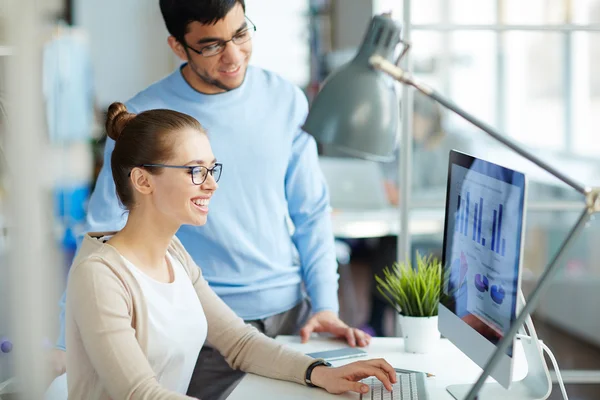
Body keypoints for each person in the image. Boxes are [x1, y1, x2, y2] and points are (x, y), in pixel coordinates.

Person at [52, 1, 371, 399]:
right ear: (178, 45)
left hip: (284, 308)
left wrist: (319, 361)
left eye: (241, 33)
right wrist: (68, 339)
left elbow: (311, 213)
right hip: (195, 327)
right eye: (211, 45)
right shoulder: (143, 121)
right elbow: (101, 229)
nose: (233, 55)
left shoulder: (176, 254)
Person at [66, 102, 397, 399]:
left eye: (212, 168)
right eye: (195, 171)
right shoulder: (100, 275)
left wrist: (320, 373)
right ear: (143, 180)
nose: (212, 184)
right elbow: (140, 393)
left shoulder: (173, 254)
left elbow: (239, 342)